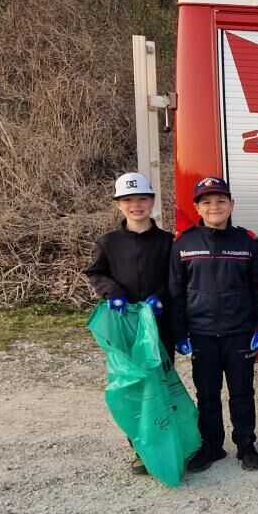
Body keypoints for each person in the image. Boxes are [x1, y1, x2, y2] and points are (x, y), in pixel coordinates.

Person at [168, 176, 258, 473]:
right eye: (207, 202)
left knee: (242, 393)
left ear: (231, 205)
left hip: (240, 333)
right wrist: (179, 333)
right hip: (201, 334)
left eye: (221, 201)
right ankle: (212, 446)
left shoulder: (247, 241)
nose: (215, 207)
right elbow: (175, 292)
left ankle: (246, 445)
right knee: (207, 394)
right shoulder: (184, 243)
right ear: (197, 208)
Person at [85, 172, 174, 475]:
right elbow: (96, 273)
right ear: (118, 205)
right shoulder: (108, 243)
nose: (136, 205)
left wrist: (160, 297)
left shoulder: (167, 242)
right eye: (128, 200)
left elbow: (175, 278)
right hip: (125, 326)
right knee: (133, 386)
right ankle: (138, 446)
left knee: (161, 385)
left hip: (159, 326)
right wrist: (113, 293)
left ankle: (165, 439)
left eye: (142, 199)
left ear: (152, 202)